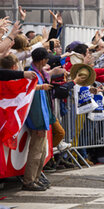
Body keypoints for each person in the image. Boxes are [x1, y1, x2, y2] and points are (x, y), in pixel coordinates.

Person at [23, 48, 56, 191]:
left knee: (41, 152)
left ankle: (35, 179)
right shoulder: (33, 74)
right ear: (42, 60)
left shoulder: (38, 73)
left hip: (41, 119)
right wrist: (40, 124)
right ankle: (29, 181)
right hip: (38, 121)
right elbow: (36, 104)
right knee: (36, 152)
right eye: (46, 59)